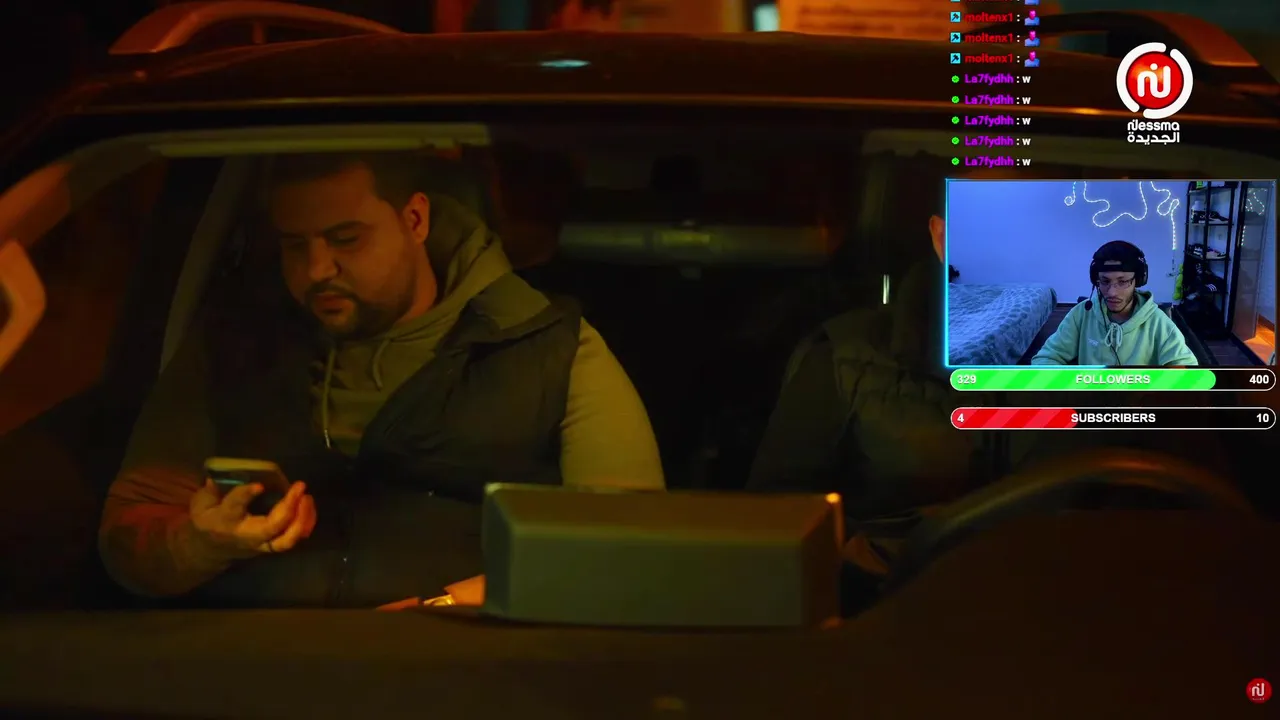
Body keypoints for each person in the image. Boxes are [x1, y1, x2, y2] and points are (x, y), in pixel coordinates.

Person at [99, 151, 664, 607]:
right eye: (295, 244)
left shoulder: (547, 345)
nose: (318, 269)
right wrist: (199, 545)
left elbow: (625, 552)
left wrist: (447, 606)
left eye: (346, 238)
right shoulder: (234, 340)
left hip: (465, 669)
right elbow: (127, 532)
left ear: (414, 220)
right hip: (249, 665)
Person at [1031, 240, 1197, 367]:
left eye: (1122, 282)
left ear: (1138, 280)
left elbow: (1184, 370)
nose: (1112, 293)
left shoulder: (1159, 322)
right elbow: (1046, 358)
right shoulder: (1080, 315)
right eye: (1104, 281)